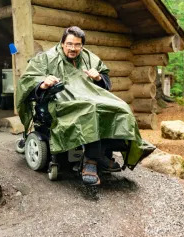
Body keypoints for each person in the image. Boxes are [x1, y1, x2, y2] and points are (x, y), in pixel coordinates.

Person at [16, 26, 154, 185]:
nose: (72, 48)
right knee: (90, 110)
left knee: (121, 108)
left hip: (90, 96)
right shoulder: (47, 58)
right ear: (62, 43)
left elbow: (106, 84)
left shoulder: (90, 59)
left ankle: (104, 152)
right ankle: (91, 161)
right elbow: (27, 81)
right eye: (69, 44)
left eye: (77, 45)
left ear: (82, 45)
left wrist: (98, 78)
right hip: (60, 100)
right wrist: (43, 84)